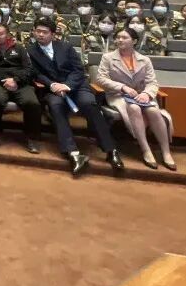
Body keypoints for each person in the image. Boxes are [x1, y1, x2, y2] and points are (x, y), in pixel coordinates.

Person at [27, 18, 124, 176]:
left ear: (53, 34)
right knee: (56, 106)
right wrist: (52, 85)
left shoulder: (65, 47)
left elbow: (78, 70)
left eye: (44, 32)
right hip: (52, 89)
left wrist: (67, 85)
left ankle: (110, 150)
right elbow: (35, 73)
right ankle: (73, 153)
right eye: (38, 31)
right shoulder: (30, 50)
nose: (40, 35)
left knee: (89, 104)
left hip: (76, 86)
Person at [97, 28, 175, 170]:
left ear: (134, 41)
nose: (120, 40)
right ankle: (146, 149)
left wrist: (147, 94)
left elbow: (152, 82)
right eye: (118, 37)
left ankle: (166, 152)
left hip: (140, 95)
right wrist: (122, 87)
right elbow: (101, 79)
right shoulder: (108, 57)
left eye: (124, 37)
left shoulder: (145, 60)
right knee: (134, 108)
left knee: (153, 111)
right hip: (118, 95)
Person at [0, 23, 42, 153]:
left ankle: (32, 138)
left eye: (0, 34)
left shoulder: (19, 48)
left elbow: (29, 68)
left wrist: (16, 80)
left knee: (32, 103)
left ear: (7, 34)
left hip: (20, 82)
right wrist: (2, 80)